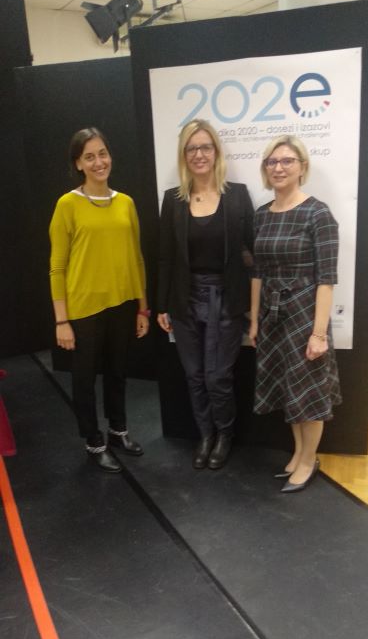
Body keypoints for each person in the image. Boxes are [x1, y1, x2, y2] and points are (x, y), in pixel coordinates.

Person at [49, 127, 149, 474]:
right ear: (78, 164)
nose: (98, 162)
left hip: (122, 303)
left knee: (118, 373)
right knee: (84, 380)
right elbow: (57, 267)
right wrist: (62, 320)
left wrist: (142, 307)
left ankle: (118, 431)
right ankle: (94, 441)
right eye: (89, 157)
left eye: (102, 154)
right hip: (83, 309)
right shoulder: (67, 205)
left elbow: (137, 259)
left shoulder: (125, 203)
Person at [157, 119, 254, 470]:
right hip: (185, 299)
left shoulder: (238, 196)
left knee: (217, 377)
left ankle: (225, 434)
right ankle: (205, 435)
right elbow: (166, 256)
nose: (199, 154)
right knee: (194, 375)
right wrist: (162, 305)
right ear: (184, 154)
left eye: (205, 147)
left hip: (225, 300)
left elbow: (251, 254)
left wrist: (253, 306)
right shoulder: (173, 200)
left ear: (216, 151)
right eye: (192, 148)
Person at [249, 135, 341, 493]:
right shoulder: (261, 215)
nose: (279, 167)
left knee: (308, 391)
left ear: (302, 166)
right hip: (273, 314)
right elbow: (257, 272)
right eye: (272, 162)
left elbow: (327, 279)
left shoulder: (318, 214)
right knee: (289, 388)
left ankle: (308, 460)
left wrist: (318, 334)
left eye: (287, 161)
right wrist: (254, 319)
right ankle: (300, 452)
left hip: (305, 314)